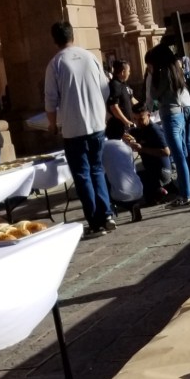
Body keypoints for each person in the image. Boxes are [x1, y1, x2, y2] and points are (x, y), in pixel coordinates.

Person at [44, 20, 115, 236]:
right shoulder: (90, 56)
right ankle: (107, 213)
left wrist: (52, 124)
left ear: (55, 40)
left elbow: (50, 100)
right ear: (73, 35)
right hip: (96, 124)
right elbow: (104, 88)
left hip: (74, 128)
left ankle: (95, 221)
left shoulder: (56, 63)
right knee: (97, 169)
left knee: (83, 175)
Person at [145, 42, 190, 208]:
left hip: (170, 116)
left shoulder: (164, 72)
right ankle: (185, 193)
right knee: (181, 156)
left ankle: (185, 195)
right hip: (178, 113)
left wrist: (151, 75)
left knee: (178, 157)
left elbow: (155, 94)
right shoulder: (175, 69)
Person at [123, 104, 171, 205]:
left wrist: (143, 149)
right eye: (135, 119)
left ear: (148, 115)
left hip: (163, 171)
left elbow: (166, 152)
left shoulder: (154, 130)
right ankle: (157, 191)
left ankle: (158, 191)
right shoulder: (140, 129)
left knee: (133, 174)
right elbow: (128, 133)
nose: (138, 122)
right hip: (152, 168)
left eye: (141, 119)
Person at [106, 60, 136, 140]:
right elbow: (114, 107)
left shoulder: (124, 84)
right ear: (123, 72)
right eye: (128, 71)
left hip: (128, 124)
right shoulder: (114, 85)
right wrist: (126, 121)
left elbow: (132, 99)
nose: (129, 73)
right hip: (119, 126)